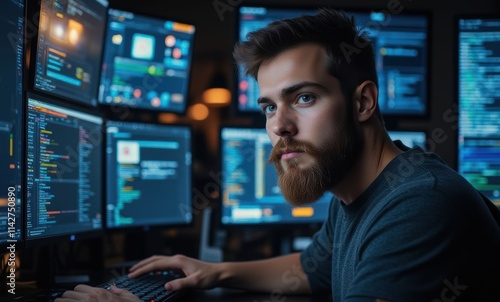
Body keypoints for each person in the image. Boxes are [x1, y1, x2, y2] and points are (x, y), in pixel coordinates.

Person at [55, 8, 500, 302]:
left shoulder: (421, 204)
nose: (279, 126)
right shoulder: (360, 190)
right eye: (269, 106)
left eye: (303, 98)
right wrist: (215, 271)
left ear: (363, 103)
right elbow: (312, 270)